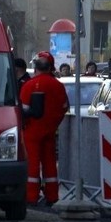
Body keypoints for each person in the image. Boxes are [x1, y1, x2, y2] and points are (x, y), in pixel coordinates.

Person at [20, 51, 69, 206]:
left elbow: (23, 109)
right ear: (50, 67)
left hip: (31, 130)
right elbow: (64, 107)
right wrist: (54, 123)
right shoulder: (58, 86)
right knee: (49, 163)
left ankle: (31, 196)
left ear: (36, 67)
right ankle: (52, 195)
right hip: (50, 130)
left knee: (32, 164)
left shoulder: (29, 85)